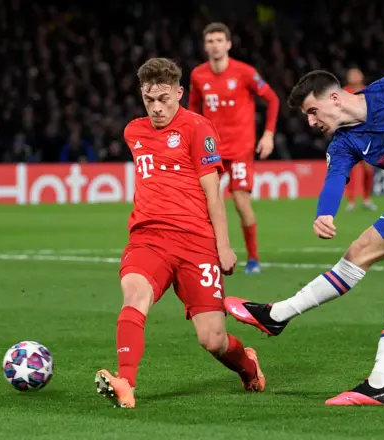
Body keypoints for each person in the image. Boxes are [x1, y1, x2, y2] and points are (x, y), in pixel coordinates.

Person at [224, 70, 384, 406]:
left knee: (358, 252)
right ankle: (378, 385)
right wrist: (324, 212)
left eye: (312, 111)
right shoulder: (345, 143)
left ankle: (278, 315)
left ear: (334, 98)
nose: (311, 122)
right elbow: (335, 180)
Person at [95, 57, 265, 409]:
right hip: (149, 237)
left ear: (179, 92)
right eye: (149, 99)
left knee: (213, 340)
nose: (156, 108)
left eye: (164, 99)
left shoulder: (198, 129)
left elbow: (213, 195)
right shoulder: (133, 132)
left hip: (196, 242)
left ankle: (248, 365)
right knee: (134, 294)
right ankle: (126, 381)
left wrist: (225, 247)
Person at [189, 22, 280, 275]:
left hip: (240, 148)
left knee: (240, 202)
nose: (215, 45)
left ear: (228, 44)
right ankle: (211, 253)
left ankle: (253, 258)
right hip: (211, 150)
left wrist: (269, 135)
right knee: (207, 203)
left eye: (219, 40)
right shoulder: (198, 75)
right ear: (205, 46)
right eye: (210, 41)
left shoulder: (245, 72)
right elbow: (193, 111)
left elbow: (272, 99)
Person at [343, 67, 377, 211]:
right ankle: (351, 200)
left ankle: (366, 199)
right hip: (349, 135)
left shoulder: (368, 91)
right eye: (351, 74)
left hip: (366, 136)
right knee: (349, 169)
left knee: (368, 170)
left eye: (357, 73)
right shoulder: (343, 93)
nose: (354, 76)